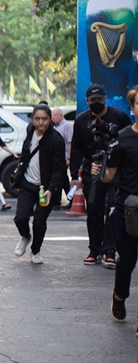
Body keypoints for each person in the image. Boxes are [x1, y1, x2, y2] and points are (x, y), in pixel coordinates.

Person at [90, 87, 138, 326]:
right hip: (127, 211)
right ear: (133, 108)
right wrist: (99, 172)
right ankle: (119, 296)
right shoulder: (124, 138)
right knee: (127, 261)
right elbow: (110, 176)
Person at [70, 84, 131, 267]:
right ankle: (94, 250)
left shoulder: (119, 117)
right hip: (92, 171)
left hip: (115, 171)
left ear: (105, 99)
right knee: (94, 212)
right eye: (92, 100)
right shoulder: (81, 121)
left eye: (100, 99)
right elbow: (76, 150)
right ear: (87, 102)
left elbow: (128, 141)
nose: (96, 103)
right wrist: (74, 175)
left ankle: (110, 251)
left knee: (112, 210)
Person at [13, 104, 66, 264]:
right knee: (20, 218)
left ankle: (36, 251)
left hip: (46, 188)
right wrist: (20, 165)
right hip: (28, 183)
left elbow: (59, 168)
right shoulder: (30, 130)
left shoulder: (56, 140)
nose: (41, 122)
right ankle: (25, 236)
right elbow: (26, 150)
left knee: (39, 222)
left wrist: (51, 189)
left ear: (50, 119)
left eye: (44, 119)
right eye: (37, 119)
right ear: (32, 119)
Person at [51, 107, 73, 209]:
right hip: (57, 158)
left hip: (63, 158)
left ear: (60, 115)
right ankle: (68, 199)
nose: (52, 118)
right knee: (62, 179)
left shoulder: (66, 126)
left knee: (61, 179)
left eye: (54, 115)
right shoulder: (55, 127)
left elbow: (69, 142)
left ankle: (58, 201)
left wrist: (68, 158)